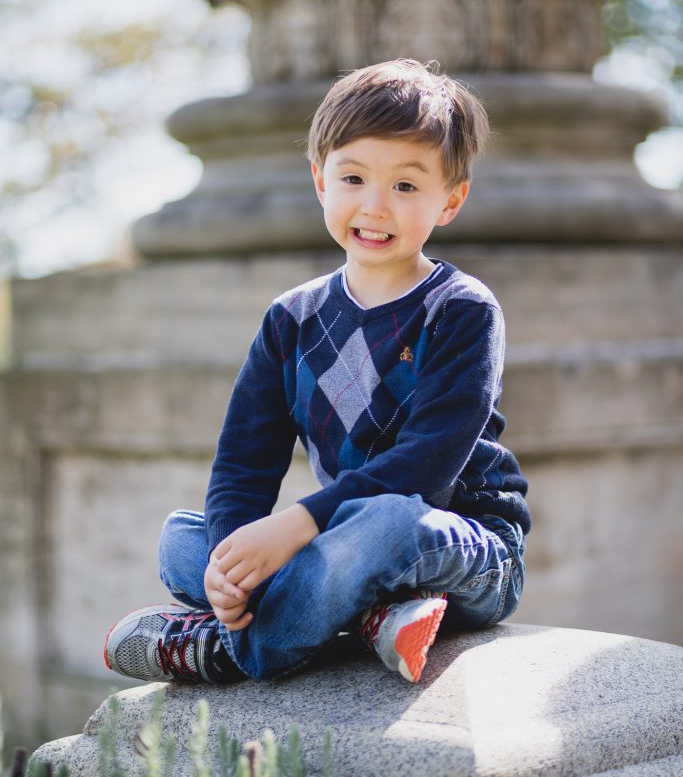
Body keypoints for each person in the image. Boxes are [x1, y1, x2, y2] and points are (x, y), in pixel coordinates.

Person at [104, 58, 531, 687]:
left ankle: (227, 651)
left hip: (456, 546)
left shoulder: (460, 309)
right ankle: (367, 619)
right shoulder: (291, 319)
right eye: (353, 177)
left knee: (384, 523)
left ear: (452, 199)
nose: (375, 206)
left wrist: (298, 522)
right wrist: (230, 564)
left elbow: (426, 466)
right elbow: (244, 464)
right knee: (186, 541)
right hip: (340, 548)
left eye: (406, 186)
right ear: (320, 182)